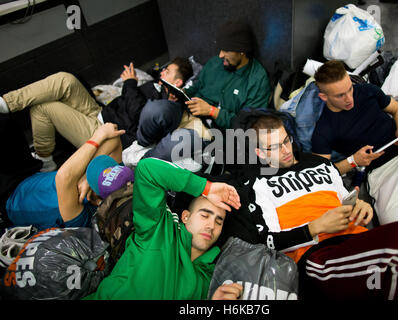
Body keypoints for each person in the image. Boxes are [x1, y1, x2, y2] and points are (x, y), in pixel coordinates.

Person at [217, 111, 398, 300]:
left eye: (286, 141)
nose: (286, 150)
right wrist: (313, 228)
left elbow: (347, 200)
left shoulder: (318, 163)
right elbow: (262, 241)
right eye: (274, 147)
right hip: (317, 258)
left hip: (360, 241)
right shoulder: (252, 184)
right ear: (259, 152)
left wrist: (362, 207)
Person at [310, 60, 398, 267]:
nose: (350, 98)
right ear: (324, 97)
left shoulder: (366, 91)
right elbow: (320, 172)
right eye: (341, 95)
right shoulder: (324, 129)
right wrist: (352, 161)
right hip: (385, 173)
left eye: (350, 89)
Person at [84, 157, 243, 300]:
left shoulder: (211, 280)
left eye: (219, 221)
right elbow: (147, 169)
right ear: (185, 217)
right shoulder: (158, 230)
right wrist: (207, 188)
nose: (211, 226)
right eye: (205, 215)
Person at [0, 57, 193, 172]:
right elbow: (129, 101)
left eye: (168, 72)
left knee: (43, 108)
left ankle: (45, 161)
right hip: (100, 112)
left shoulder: (167, 105)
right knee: (65, 79)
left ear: (177, 83)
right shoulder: (153, 85)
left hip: (106, 132)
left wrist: (130, 83)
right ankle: (5, 103)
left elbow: (137, 115)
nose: (163, 72)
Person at [139, 19, 271, 162]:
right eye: (220, 49)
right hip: (187, 110)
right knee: (152, 109)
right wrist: (181, 94)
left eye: (225, 50)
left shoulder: (257, 80)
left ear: (242, 52)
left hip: (211, 131)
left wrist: (212, 111)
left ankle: (141, 166)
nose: (220, 55)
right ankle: (140, 145)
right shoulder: (215, 63)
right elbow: (197, 86)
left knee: (172, 145)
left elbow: (248, 125)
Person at [5, 123, 133, 231]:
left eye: (94, 178)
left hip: (10, 197)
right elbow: (114, 140)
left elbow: (64, 177)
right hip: (32, 175)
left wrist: (97, 137)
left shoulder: (83, 218)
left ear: (99, 201)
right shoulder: (122, 182)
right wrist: (86, 178)